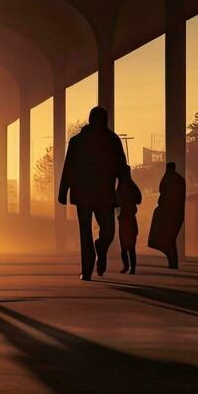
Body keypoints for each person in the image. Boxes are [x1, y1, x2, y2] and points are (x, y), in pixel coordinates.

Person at [57, 106, 128, 280]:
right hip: (92, 194)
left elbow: (121, 167)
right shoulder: (81, 141)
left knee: (105, 232)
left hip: (94, 193)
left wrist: (124, 188)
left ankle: (100, 248)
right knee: (90, 232)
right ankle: (87, 270)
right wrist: (63, 190)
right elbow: (69, 168)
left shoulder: (109, 140)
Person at [147, 160, 187, 269]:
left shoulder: (170, 180)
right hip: (175, 214)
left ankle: (173, 263)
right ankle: (173, 263)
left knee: (168, 240)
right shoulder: (179, 180)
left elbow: (165, 196)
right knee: (170, 240)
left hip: (169, 214)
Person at [116, 164, 143, 274]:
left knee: (124, 246)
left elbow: (116, 201)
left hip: (124, 219)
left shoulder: (121, 187)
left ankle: (127, 267)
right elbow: (139, 200)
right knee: (131, 247)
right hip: (131, 219)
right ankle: (131, 268)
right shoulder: (133, 186)